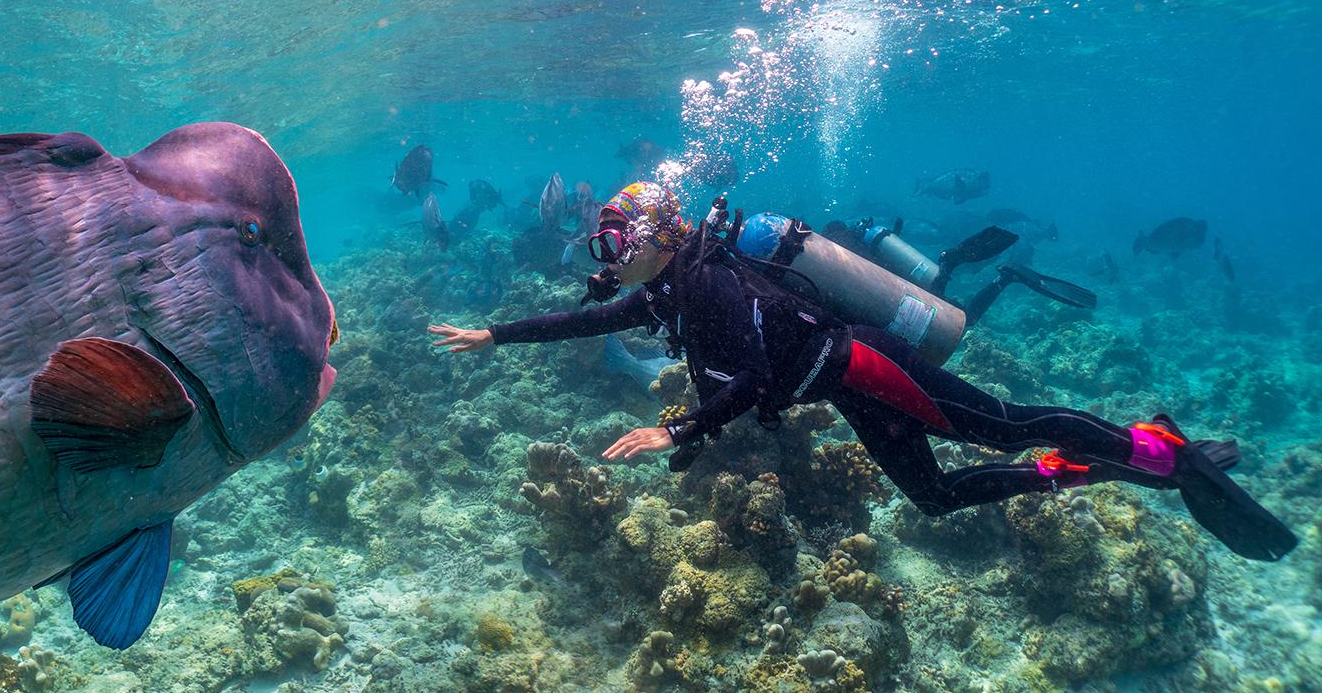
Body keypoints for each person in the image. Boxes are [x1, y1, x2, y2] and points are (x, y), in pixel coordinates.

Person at [427, 181, 1295, 562]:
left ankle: (1162, 456)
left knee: (999, 417)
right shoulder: (662, 295)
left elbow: (760, 379)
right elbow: (579, 319)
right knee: (935, 496)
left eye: (617, 242)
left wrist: (681, 427)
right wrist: (494, 335)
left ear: (657, 239)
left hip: (865, 364)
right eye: (602, 244)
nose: (605, 257)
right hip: (841, 388)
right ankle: (1082, 468)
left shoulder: (715, 286)